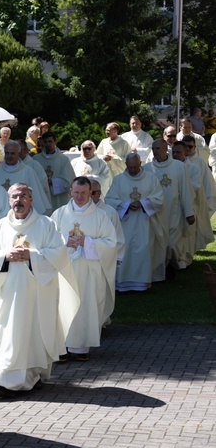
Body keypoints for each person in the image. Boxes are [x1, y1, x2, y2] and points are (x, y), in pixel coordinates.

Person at [0, 183, 78, 398]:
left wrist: (31, 256)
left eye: (23, 196)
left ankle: (31, 376)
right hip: (6, 294)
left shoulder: (46, 225)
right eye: (14, 197)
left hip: (37, 293)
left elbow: (59, 254)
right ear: (9, 201)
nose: (18, 200)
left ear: (31, 199)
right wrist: (4, 256)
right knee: (9, 335)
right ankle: (7, 380)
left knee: (33, 334)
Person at [51, 177, 117, 361]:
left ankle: (80, 348)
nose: (80, 196)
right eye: (76, 192)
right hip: (64, 270)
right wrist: (65, 241)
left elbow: (111, 244)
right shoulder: (59, 214)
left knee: (85, 306)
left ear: (91, 193)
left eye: (84, 193)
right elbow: (48, 240)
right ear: (70, 191)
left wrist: (87, 242)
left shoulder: (100, 216)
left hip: (89, 272)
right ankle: (61, 347)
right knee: (61, 306)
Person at [105, 153, 165, 292]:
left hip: (144, 224)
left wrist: (143, 203)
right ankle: (123, 283)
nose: (132, 170)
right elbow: (110, 199)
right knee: (125, 250)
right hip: (124, 225)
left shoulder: (151, 178)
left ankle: (142, 282)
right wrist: (125, 205)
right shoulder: (119, 180)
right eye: (130, 167)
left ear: (140, 164)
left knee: (144, 249)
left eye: (135, 167)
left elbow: (159, 198)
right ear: (126, 164)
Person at [143, 139, 195, 276]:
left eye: (158, 148)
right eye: (153, 149)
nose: (155, 151)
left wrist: (189, 212)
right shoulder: (147, 168)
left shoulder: (179, 167)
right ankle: (162, 268)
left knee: (172, 244)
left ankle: (173, 263)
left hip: (174, 212)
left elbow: (186, 190)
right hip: (155, 214)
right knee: (158, 243)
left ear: (166, 149)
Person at [89, 177, 125, 327]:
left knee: (100, 292)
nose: (90, 196)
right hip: (80, 261)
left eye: (94, 193)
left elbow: (118, 237)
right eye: (87, 192)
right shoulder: (72, 212)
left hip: (103, 260)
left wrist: (116, 257)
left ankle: (100, 321)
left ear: (100, 193)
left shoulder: (109, 212)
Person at [0, 141, 52, 215]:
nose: (9, 156)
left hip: (21, 214)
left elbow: (36, 198)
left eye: (12, 153)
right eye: (7, 153)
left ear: (18, 154)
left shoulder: (28, 171)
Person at [34, 132, 74, 211]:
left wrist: (52, 182)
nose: (48, 144)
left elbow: (68, 181)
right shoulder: (36, 159)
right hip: (42, 195)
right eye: (45, 142)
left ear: (55, 142)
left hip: (59, 199)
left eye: (50, 141)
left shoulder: (64, 159)